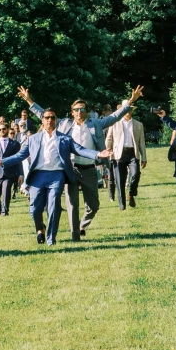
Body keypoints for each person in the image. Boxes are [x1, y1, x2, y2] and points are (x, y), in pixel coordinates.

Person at [0, 96, 113, 247]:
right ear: (42, 120)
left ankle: (51, 239)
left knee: (54, 207)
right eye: (46, 118)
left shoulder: (64, 139)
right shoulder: (33, 139)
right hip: (38, 176)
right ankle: (40, 228)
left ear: (55, 120)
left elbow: (80, 150)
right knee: (34, 209)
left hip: (56, 176)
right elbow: (20, 155)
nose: (49, 120)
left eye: (52, 118)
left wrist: (98, 154)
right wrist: (2, 161)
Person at [25, 85, 140, 240]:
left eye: (83, 109)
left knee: (94, 205)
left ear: (87, 111)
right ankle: (75, 235)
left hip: (89, 169)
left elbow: (114, 117)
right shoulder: (64, 124)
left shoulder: (95, 124)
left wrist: (130, 101)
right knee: (72, 205)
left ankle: (82, 225)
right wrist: (29, 100)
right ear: (72, 112)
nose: (80, 112)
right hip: (70, 169)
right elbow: (43, 115)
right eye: (77, 110)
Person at [103, 104, 147, 210]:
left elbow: (141, 142)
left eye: (130, 109)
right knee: (120, 179)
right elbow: (109, 138)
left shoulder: (138, 124)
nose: (128, 111)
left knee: (136, 174)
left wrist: (144, 157)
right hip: (118, 154)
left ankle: (131, 193)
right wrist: (107, 151)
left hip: (132, 153)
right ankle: (122, 204)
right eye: (126, 109)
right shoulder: (114, 123)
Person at [0, 127, 21, 216]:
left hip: (9, 173)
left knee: (6, 192)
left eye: (3, 129)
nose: (2, 131)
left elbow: (18, 160)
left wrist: (20, 174)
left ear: (7, 129)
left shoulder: (15, 144)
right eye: (0, 130)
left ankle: (5, 212)